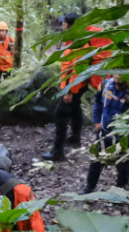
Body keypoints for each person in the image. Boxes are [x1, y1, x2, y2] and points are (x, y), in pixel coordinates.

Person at [43, 15, 113, 162]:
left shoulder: (78, 41)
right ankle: (75, 136)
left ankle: (58, 151)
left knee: (60, 114)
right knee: (75, 107)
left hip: (77, 83)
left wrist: (68, 91)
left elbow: (74, 68)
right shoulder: (84, 34)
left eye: (64, 23)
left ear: (69, 25)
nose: (62, 25)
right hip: (85, 80)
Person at [85, 75, 129, 193]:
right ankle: (89, 187)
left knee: (123, 163)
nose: (118, 74)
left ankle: (120, 190)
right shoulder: (105, 84)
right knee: (96, 159)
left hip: (124, 135)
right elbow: (98, 102)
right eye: (116, 69)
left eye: (122, 70)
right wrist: (97, 121)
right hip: (104, 131)